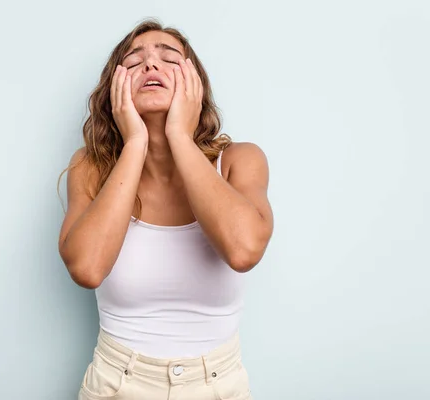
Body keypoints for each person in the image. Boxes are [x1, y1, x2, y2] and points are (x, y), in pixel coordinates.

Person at [58, 18, 274, 400]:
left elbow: (243, 251)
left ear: (196, 83)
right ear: (115, 88)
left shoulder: (241, 160)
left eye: (169, 58)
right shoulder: (89, 168)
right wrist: (136, 142)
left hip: (218, 385)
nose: (151, 65)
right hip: (116, 382)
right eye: (134, 60)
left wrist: (178, 135)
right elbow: (87, 268)